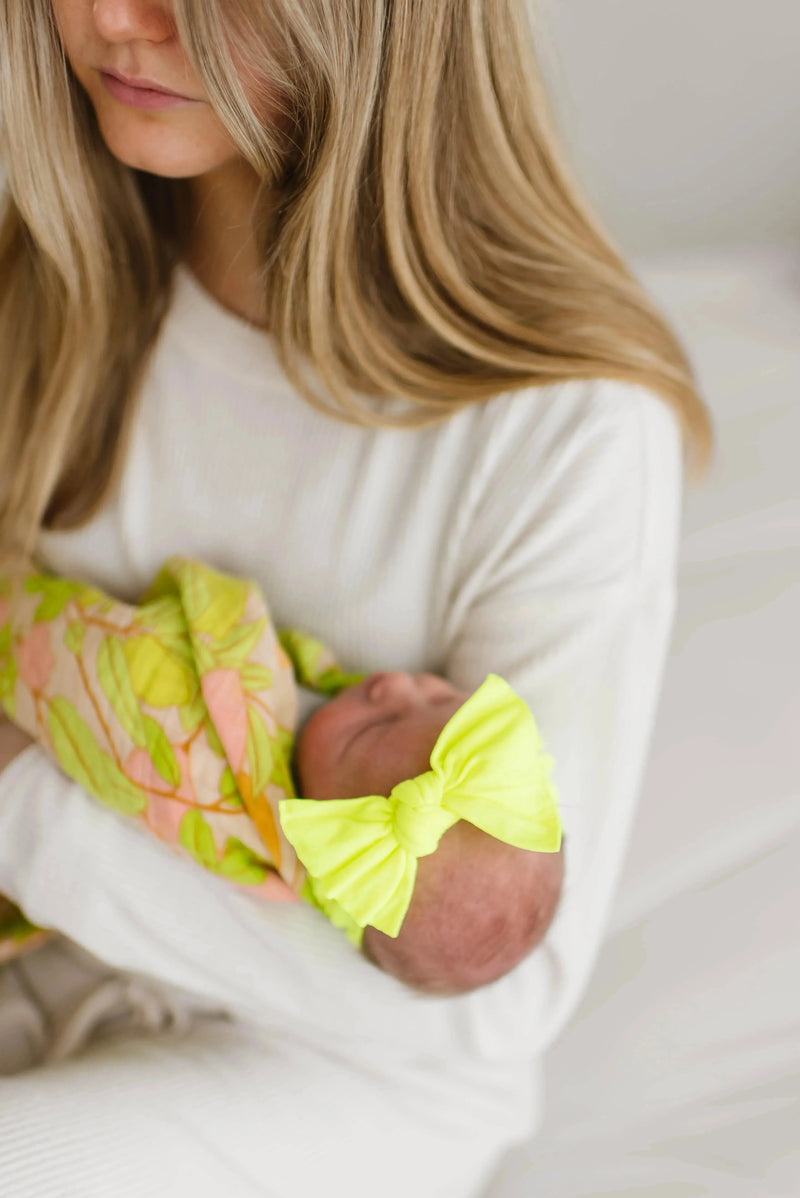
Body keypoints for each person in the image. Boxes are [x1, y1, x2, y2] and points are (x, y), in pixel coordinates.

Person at [0, 1, 713, 1195]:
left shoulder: (565, 427)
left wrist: (21, 796)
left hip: (339, 1058)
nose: (118, 18)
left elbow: (495, 1002)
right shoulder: (60, 271)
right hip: (44, 947)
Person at [0, 554, 564, 994]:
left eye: (375, 727)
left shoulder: (233, 803)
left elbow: (120, 688)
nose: (394, 685)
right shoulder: (333, 729)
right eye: (437, 696)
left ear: (331, 846)